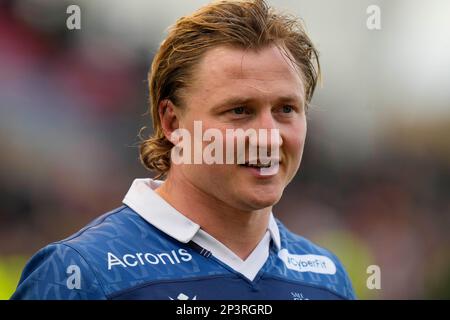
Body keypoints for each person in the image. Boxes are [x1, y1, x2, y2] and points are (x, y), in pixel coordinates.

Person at [11, 0, 355, 300]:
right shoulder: (83, 273)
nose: (268, 137)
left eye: (286, 110)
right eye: (239, 111)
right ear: (172, 123)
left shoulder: (328, 280)